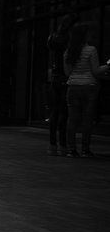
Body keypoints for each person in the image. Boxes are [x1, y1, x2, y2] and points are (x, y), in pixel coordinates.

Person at [63, 23, 108, 158]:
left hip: (73, 86)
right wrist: (108, 65)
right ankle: (85, 149)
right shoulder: (91, 50)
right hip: (89, 86)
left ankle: (71, 149)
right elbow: (96, 71)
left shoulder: (68, 52)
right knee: (87, 120)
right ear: (85, 35)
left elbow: (67, 73)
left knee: (72, 119)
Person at [46, 13, 75, 155]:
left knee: (54, 112)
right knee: (64, 113)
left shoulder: (53, 38)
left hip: (55, 78)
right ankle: (63, 145)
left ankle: (52, 145)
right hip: (65, 78)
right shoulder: (70, 41)